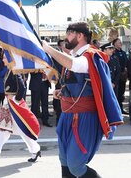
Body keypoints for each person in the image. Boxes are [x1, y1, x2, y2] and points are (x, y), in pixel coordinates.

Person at [42, 22, 123, 177]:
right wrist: (62, 92)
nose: (66, 37)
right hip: (67, 115)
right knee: (64, 161)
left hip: (84, 118)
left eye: (69, 34)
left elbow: (75, 65)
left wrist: (48, 49)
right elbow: (76, 82)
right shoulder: (75, 56)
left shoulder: (91, 56)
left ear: (80, 36)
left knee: (76, 166)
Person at [0, 55, 41, 163]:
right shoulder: (10, 69)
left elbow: (22, 87)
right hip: (8, 103)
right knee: (2, 129)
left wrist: (15, 99)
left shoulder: (15, 70)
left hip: (13, 104)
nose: (3, 59)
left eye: (5, 57)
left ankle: (35, 149)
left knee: (22, 128)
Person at [113, 38, 129, 114]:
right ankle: (115, 110)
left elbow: (126, 62)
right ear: (114, 43)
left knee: (121, 94)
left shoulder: (123, 52)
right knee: (115, 93)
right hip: (116, 77)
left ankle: (120, 108)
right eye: (119, 42)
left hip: (123, 76)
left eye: (121, 42)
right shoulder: (113, 53)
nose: (121, 43)